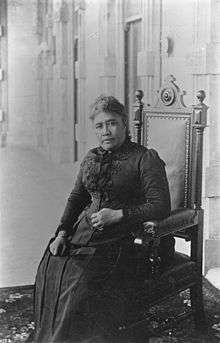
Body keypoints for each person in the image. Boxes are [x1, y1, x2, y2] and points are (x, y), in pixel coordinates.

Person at [34, 95, 175, 343]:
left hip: (126, 241)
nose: (105, 131)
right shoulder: (91, 157)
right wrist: (63, 233)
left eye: (111, 123)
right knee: (50, 265)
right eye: (99, 126)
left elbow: (161, 206)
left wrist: (119, 215)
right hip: (84, 236)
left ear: (124, 125)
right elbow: (77, 197)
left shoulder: (144, 158)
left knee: (79, 284)